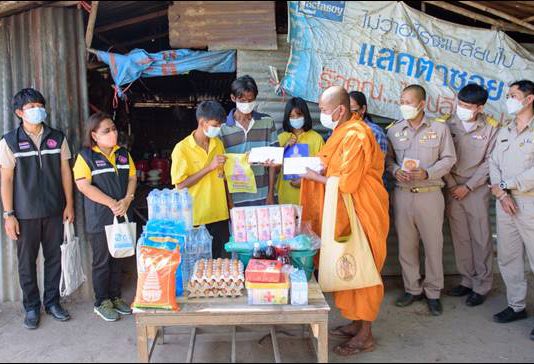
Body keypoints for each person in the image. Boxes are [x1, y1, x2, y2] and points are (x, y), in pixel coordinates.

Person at [300, 86, 389, 356]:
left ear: (340, 110)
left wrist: (314, 177)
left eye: (325, 111)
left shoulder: (356, 135)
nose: (322, 115)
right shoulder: (339, 132)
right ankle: (356, 323)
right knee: (348, 265)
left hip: (362, 210)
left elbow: (348, 182)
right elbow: (329, 163)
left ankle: (366, 335)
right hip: (343, 210)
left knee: (363, 267)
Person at [0, 88, 74, 330]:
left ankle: (52, 303)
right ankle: (31, 307)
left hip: (54, 210)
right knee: (26, 262)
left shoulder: (57, 137)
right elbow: (7, 179)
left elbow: (66, 172)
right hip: (24, 213)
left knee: (54, 258)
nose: (37, 110)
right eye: (31, 107)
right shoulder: (9, 141)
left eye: (39, 105)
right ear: (19, 112)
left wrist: (69, 205)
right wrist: (9, 214)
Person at [386, 84, 456, 316]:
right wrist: (395, 170)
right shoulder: (394, 130)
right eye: (402, 101)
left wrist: (428, 173)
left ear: (422, 104)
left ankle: (434, 292)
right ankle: (412, 289)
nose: (404, 106)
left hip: (430, 195)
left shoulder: (439, 128)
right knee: (407, 246)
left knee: (434, 246)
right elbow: (388, 160)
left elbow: (449, 159)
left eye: (409, 101)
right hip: (403, 195)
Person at [73, 113, 137, 322]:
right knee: (102, 262)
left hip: (121, 214)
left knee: (118, 258)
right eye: (106, 131)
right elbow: (83, 186)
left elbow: (132, 177)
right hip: (100, 218)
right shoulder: (85, 156)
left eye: (114, 129)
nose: (113, 133)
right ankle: (102, 302)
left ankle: (116, 297)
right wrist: (111, 203)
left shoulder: (123, 154)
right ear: (94, 135)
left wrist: (127, 199)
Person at [443, 84, 500, 307]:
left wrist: (468, 187)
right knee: (461, 238)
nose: (462, 109)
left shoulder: (491, 128)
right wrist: (451, 184)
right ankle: (466, 280)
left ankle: (482, 285)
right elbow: (442, 155)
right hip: (452, 187)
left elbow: (490, 162)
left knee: (481, 238)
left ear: (480, 107)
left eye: (467, 106)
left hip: (475, 190)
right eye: (460, 104)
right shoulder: (447, 123)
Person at [489, 80, 534, 340]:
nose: (509, 100)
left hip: (528, 201)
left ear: (529, 100)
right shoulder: (505, 129)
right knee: (508, 257)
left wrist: (508, 185)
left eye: (514, 95)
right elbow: (494, 161)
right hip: (504, 200)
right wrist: (500, 190)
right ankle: (516, 306)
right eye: (508, 95)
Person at [171, 101, 231, 258]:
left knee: (222, 265)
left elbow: (223, 178)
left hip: (220, 214)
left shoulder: (218, 143)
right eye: (215, 125)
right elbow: (180, 185)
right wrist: (209, 168)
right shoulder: (182, 148)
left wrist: (230, 206)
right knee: (198, 266)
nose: (218, 129)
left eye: (219, 125)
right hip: (197, 217)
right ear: (202, 122)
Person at [220, 75, 278, 207]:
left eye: (250, 100)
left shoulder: (267, 122)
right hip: (236, 199)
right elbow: (221, 169)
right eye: (242, 100)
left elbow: (275, 164)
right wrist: (229, 202)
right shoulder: (222, 128)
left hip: (264, 196)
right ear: (233, 98)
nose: (246, 104)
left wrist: (270, 195)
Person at [277, 97, 325, 205]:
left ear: (305, 115)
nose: (295, 119)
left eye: (299, 115)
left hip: (309, 197)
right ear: (287, 118)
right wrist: (285, 147)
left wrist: (303, 181)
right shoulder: (281, 138)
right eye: (291, 116)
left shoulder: (317, 139)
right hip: (286, 196)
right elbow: (273, 168)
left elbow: (323, 168)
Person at [349, 91, 388, 156]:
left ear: (363, 109)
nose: (348, 112)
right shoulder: (340, 129)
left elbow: (379, 162)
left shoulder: (375, 133)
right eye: (346, 108)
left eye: (352, 108)